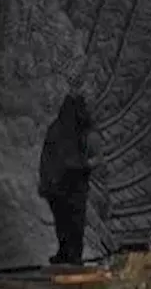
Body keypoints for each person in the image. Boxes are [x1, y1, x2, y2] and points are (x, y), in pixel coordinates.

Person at [38, 93, 103, 265]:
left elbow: (97, 156)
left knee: (75, 222)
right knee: (63, 221)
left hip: (75, 182)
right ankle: (65, 252)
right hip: (58, 182)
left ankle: (74, 255)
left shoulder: (85, 131)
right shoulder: (57, 129)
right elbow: (47, 155)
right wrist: (47, 178)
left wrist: (84, 164)